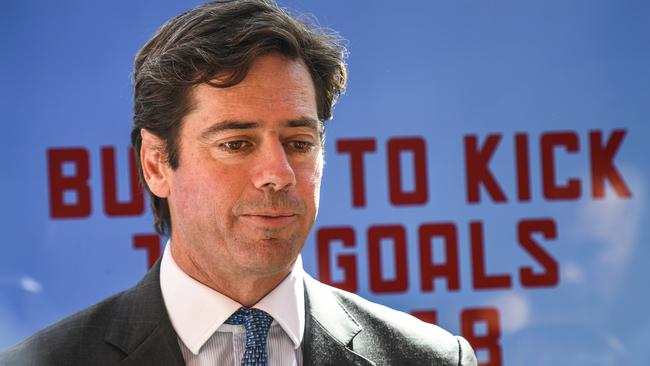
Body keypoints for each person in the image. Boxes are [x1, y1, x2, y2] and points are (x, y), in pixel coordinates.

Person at [0, 1, 477, 365]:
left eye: (299, 142)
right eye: (236, 144)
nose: (278, 173)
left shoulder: (432, 358)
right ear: (156, 164)